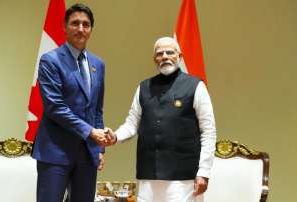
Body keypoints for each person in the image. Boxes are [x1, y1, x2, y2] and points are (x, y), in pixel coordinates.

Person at [105, 37, 217, 202]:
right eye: (160, 53)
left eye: (170, 52)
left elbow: (208, 131)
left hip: (183, 178)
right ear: (154, 60)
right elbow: (131, 124)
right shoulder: (143, 87)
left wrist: (204, 172)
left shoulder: (195, 86)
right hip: (148, 177)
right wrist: (115, 137)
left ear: (179, 56)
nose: (164, 56)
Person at [31, 3, 109, 202]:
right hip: (55, 152)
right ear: (64, 27)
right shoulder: (50, 60)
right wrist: (91, 132)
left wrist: (99, 148)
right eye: (75, 23)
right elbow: (55, 107)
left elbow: (97, 110)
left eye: (86, 24)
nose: (81, 29)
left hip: (87, 154)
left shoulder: (98, 64)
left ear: (91, 29)